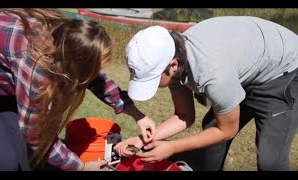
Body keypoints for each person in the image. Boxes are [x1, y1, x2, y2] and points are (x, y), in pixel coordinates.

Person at [0, 8, 156, 171]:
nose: (97, 74)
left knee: (27, 157)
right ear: (76, 65)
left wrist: (137, 115)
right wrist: (82, 167)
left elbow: (97, 80)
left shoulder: (67, 39)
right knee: (3, 163)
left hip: (0, 81)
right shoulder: (34, 64)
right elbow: (35, 134)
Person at [115, 16, 298, 171]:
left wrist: (172, 147)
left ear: (173, 65)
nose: (154, 86)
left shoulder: (213, 74)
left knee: (270, 159)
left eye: (154, 79)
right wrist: (141, 140)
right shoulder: (174, 55)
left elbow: (227, 130)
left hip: (285, 71)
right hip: (245, 66)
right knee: (211, 134)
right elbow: (184, 115)